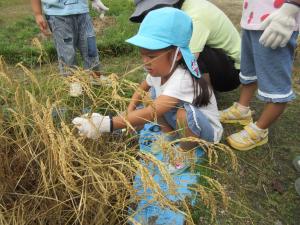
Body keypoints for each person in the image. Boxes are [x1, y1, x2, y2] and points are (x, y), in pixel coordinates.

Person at [72, 7, 223, 174]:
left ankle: (186, 152)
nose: (145, 62)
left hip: (205, 132)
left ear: (176, 55)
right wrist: (129, 111)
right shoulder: (160, 71)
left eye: (151, 56)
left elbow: (152, 112)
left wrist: (106, 123)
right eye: (142, 55)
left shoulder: (182, 79)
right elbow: (141, 89)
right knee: (150, 95)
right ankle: (169, 133)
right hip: (184, 123)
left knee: (182, 113)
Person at [220, 0, 300, 150]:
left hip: (278, 21)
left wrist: (291, 7)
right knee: (249, 71)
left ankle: (260, 130)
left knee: (276, 85)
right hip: (252, 20)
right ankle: (242, 110)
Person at [129, 0, 241, 93]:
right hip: (219, 62)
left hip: (233, 72)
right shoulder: (183, 9)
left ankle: (204, 95)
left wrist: (160, 72)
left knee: (186, 53)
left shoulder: (194, 17)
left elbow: (190, 57)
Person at [31, 0, 109, 96]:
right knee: (66, 51)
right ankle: (73, 82)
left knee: (90, 45)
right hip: (57, 15)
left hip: (82, 12)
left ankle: (95, 76)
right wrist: (38, 14)